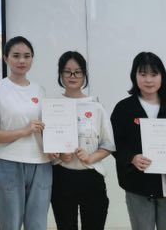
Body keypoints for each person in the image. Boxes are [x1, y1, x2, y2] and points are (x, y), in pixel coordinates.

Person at [110, 52, 166, 230]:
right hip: (138, 186)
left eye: (154, 74)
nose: (148, 80)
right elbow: (115, 144)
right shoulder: (124, 109)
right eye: (143, 74)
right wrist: (131, 158)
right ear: (134, 76)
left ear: (162, 77)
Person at [0, 36, 52, 230]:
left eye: (27, 56)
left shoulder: (39, 90)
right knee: (10, 225)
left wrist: (55, 147)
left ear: (32, 59)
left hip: (41, 165)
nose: (22, 60)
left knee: (38, 225)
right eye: (16, 56)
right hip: (8, 163)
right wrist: (24, 131)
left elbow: (45, 129)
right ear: (6, 58)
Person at [49, 51, 115, 230]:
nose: (72, 76)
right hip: (62, 177)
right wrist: (59, 155)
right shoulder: (52, 105)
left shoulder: (96, 106)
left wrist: (90, 158)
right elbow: (47, 144)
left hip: (91, 177)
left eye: (77, 72)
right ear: (60, 74)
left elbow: (108, 144)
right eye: (67, 71)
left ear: (84, 74)